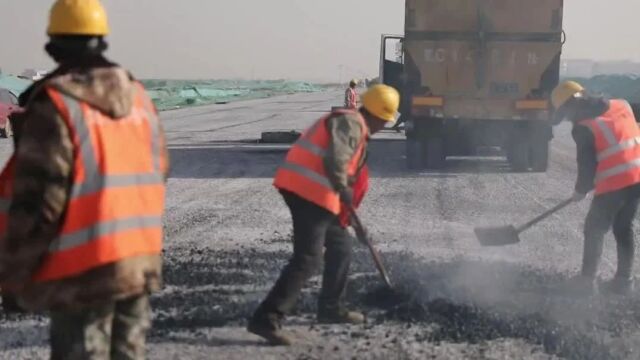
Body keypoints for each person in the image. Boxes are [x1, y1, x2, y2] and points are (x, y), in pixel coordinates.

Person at [0, 0, 170, 358]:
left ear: (52, 46)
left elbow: (39, 202)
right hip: (137, 260)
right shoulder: (139, 98)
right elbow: (160, 171)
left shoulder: (57, 104)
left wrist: (14, 275)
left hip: (84, 271)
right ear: (102, 40)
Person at [248, 84, 400, 346]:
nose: (384, 126)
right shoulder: (351, 123)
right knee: (308, 258)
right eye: (385, 121)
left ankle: (330, 308)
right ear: (378, 116)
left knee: (341, 246)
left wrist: (352, 220)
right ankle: (266, 319)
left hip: (317, 194)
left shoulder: (355, 125)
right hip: (307, 192)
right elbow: (336, 159)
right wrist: (343, 188)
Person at [551, 80, 640, 296]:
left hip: (614, 183)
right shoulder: (622, 104)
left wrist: (580, 190)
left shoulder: (584, 127)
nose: (569, 118)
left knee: (594, 228)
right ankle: (624, 282)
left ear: (574, 104)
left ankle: (586, 282)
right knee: (623, 227)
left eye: (566, 113)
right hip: (637, 178)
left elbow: (587, 165)